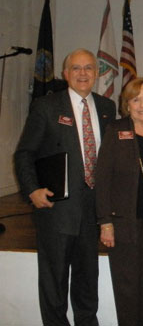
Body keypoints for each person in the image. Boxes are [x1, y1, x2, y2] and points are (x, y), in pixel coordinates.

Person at [14, 48, 116, 326]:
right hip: (56, 209)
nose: (83, 74)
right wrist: (32, 189)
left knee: (87, 279)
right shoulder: (47, 107)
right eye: (76, 68)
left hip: (92, 209)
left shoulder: (107, 108)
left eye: (88, 68)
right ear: (65, 73)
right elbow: (24, 153)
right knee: (54, 281)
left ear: (96, 73)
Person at [96, 78, 143, 326]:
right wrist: (105, 222)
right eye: (135, 99)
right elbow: (103, 179)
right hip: (122, 225)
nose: (142, 104)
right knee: (126, 289)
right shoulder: (116, 131)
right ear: (127, 104)